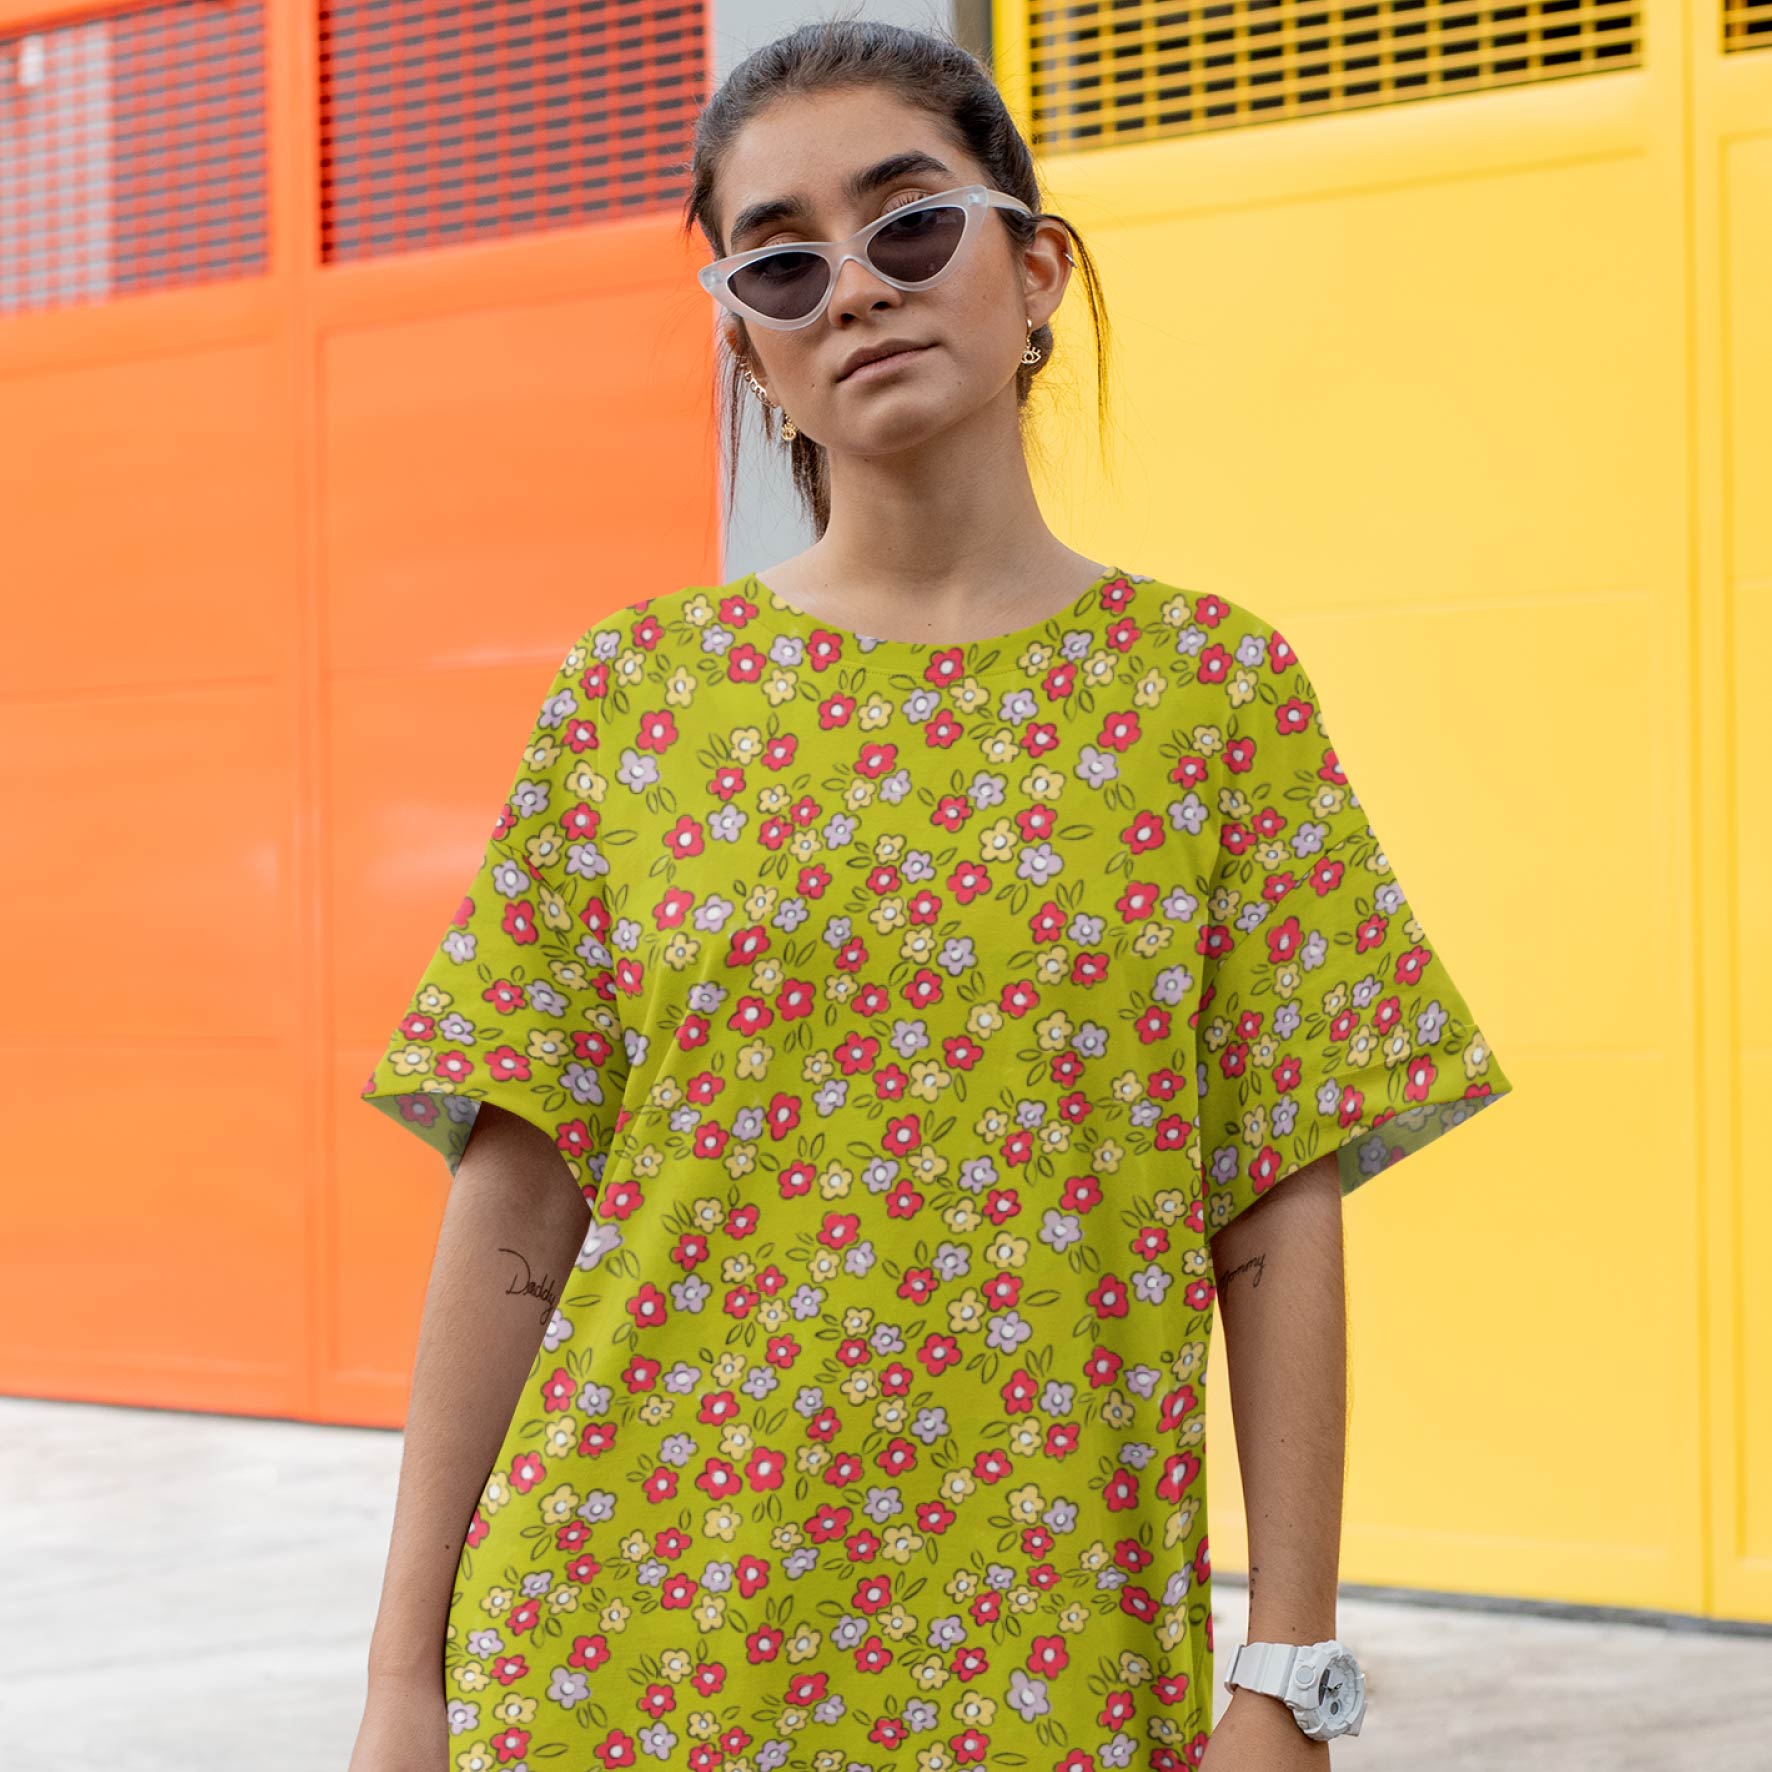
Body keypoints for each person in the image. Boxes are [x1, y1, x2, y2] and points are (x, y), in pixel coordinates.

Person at [349, 16, 1514, 1772]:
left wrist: (1289, 1669)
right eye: (782, 262)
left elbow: (1277, 1197)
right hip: (622, 1649)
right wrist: (402, 1684)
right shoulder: (640, 698)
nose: (856, 290)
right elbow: (520, 1190)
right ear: (749, 347)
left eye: (909, 224)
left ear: (1035, 271)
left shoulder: (1209, 696)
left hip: (1049, 1659)